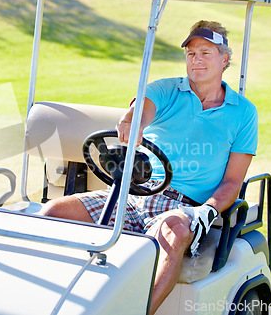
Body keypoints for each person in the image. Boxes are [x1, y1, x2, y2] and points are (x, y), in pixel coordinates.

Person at [40, 20, 258, 314]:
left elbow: (233, 181)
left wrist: (207, 210)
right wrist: (132, 121)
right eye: (191, 54)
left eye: (206, 52)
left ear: (225, 59)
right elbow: (141, 108)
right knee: (53, 213)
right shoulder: (168, 90)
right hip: (132, 194)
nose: (197, 60)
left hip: (183, 208)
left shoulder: (243, 112)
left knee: (175, 232)